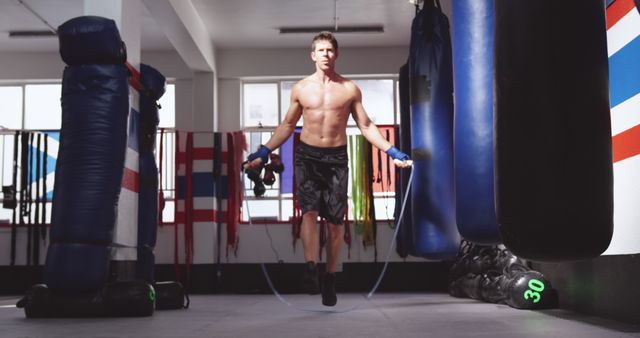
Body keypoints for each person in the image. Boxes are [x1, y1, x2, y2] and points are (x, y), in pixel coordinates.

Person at [245, 31, 412, 306]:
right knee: (309, 213)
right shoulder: (301, 89)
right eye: (320, 50)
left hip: (336, 158)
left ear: (336, 54)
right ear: (313, 55)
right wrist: (264, 152)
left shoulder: (349, 89)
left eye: (329, 50)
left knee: (335, 224)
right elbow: (287, 126)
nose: (325, 54)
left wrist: (392, 150)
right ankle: (311, 268)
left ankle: (330, 277)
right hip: (307, 156)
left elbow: (366, 126)